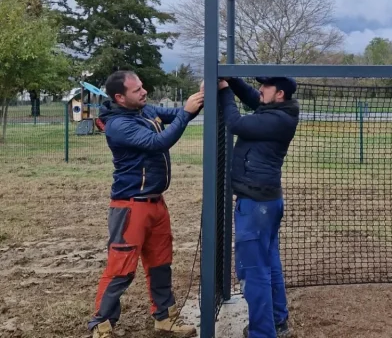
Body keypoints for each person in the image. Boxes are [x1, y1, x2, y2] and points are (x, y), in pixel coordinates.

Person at [88, 70, 204, 338]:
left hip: (156, 203)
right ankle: (101, 326)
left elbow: (179, 115)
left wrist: (201, 96)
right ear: (120, 97)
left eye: (142, 86)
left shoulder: (143, 110)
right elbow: (158, 142)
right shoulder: (118, 125)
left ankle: (165, 318)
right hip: (130, 207)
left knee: (161, 264)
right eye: (137, 90)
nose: (144, 92)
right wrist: (186, 112)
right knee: (121, 269)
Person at [217, 76, 300, 338]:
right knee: (268, 263)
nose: (260, 90)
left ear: (280, 94)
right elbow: (252, 96)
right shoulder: (276, 110)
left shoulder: (276, 119)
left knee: (253, 271)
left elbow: (235, 123)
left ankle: (262, 333)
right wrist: (232, 80)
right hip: (265, 202)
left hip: (256, 205)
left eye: (266, 87)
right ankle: (276, 321)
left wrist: (224, 90)